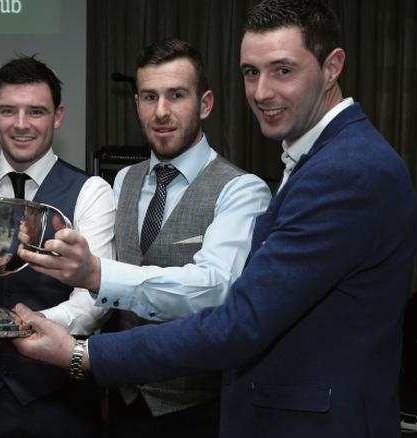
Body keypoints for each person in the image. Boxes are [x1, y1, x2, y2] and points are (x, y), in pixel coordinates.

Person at [13, 0, 417, 438]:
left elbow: (238, 319)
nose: (262, 92)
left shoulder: (344, 170)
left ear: (332, 67)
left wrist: (80, 354)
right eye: (251, 72)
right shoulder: (320, 159)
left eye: (283, 70)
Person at [16, 39, 270, 437]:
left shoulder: (241, 190)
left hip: (197, 410)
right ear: (136, 104)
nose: (162, 111)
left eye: (177, 95)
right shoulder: (124, 181)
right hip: (120, 401)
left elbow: (217, 291)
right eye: (149, 97)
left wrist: (97, 274)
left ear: (204, 104)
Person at [0, 55, 116, 438]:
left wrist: (23, 328)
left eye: (36, 112)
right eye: (9, 110)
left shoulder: (91, 192)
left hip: (60, 401)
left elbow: (95, 299)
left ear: (58, 116)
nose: (21, 125)